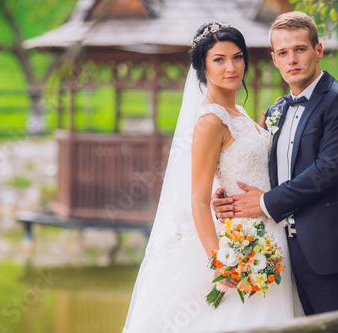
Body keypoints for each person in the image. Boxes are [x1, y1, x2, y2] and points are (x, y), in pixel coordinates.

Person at [123, 22, 302, 333]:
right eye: (219, 59)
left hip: (270, 229)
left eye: (237, 57)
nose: (231, 67)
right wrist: (220, 261)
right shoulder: (210, 120)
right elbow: (198, 197)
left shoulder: (240, 113)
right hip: (242, 240)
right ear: (202, 66)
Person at [212, 11, 338, 325]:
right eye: (284, 53)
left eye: (300, 49)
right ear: (275, 60)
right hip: (281, 251)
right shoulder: (276, 110)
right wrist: (227, 199)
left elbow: (326, 172)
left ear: (318, 51)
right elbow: (260, 170)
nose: (292, 59)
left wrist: (262, 202)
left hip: (331, 250)